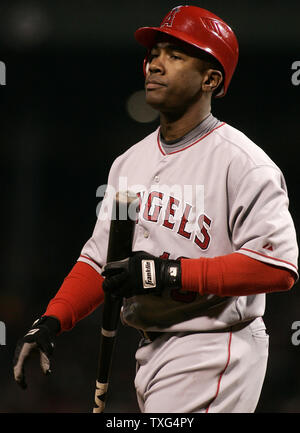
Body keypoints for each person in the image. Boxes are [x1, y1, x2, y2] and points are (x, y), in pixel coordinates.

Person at [13, 5, 298, 413]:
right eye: (155, 53)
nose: (155, 65)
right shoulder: (129, 163)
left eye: (175, 55)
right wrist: (52, 320)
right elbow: (100, 261)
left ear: (211, 79)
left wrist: (165, 272)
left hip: (216, 345)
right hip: (153, 347)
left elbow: (278, 268)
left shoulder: (243, 163)